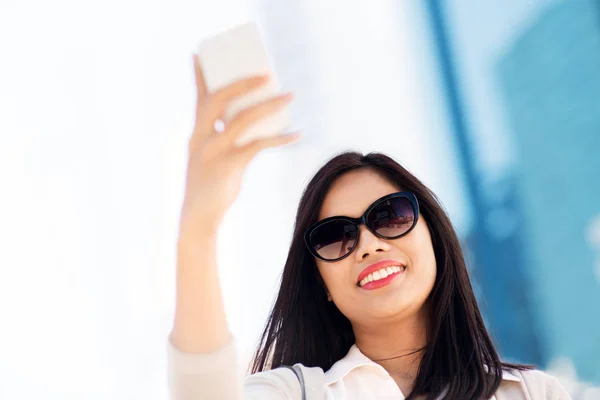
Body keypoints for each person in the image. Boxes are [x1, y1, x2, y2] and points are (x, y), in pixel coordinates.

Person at [167, 54, 572, 400]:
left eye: (391, 216)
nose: (368, 245)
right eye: (336, 237)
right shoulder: (299, 393)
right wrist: (198, 229)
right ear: (321, 283)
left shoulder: (533, 393)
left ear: (434, 236)